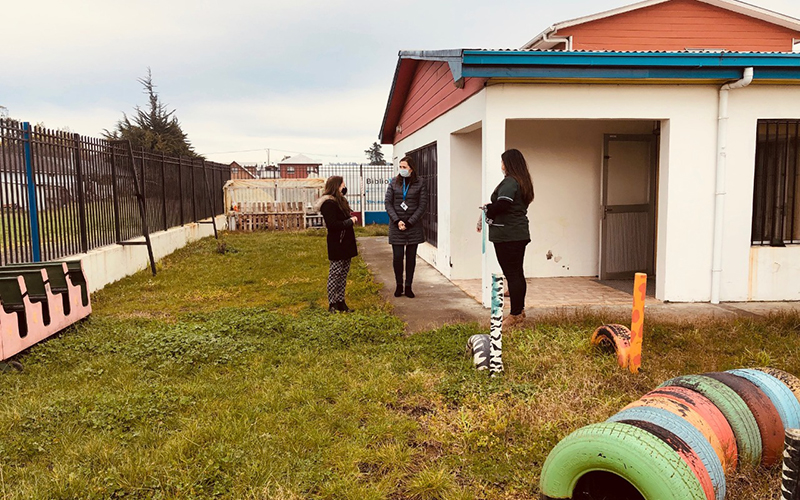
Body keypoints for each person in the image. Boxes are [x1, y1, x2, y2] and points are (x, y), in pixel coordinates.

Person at [479, 148, 535, 328]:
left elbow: (503, 204)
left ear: (508, 164)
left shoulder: (510, 182)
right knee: (517, 273)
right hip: (518, 233)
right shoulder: (523, 181)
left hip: (508, 235)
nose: (501, 165)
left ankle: (515, 314)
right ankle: (520, 310)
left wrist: (489, 209)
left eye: (503, 162)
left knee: (512, 274)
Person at [385, 156, 428, 298]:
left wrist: (410, 222)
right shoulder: (393, 182)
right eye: (400, 167)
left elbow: (422, 205)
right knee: (397, 257)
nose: (402, 170)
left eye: (404, 167)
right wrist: (397, 221)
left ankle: (408, 286)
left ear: (411, 168)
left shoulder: (420, 183)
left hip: (413, 226)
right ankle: (399, 285)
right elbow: (388, 203)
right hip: (396, 225)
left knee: (411, 258)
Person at [315, 176, 358, 313]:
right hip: (337, 243)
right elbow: (333, 225)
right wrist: (350, 222)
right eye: (342, 186)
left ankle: (341, 302)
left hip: (346, 242)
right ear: (336, 186)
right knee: (335, 274)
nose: (344, 188)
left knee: (343, 274)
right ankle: (332, 303)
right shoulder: (328, 204)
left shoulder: (341, 201)